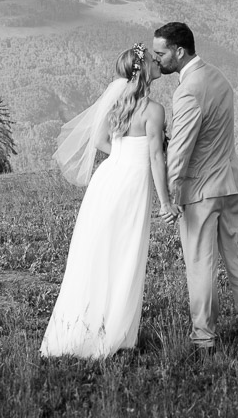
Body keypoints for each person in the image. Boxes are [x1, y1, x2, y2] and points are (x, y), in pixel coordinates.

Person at [41, 43, 180, 359]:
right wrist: (165, 202)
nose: (158, 63)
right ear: (144, 70)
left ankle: (78, 329)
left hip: (106, 182)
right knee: (124, 254)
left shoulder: (118, 104)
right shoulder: (153, 110)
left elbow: (100, 140)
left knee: (95, 255)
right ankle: (112, 335)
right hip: (131, 186)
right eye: (153, 61)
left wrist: (123, 154)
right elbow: (157, 158)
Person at [152, 22, 238, 352]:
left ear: (179, 51)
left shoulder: (188, 89)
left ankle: (204, 338)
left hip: (202, 191)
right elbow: (211, 135)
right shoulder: (219, 77)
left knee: (201, 266)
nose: (156, 59)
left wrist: (170, 196)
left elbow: (182, 150)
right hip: (231, 184)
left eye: (160, 53)